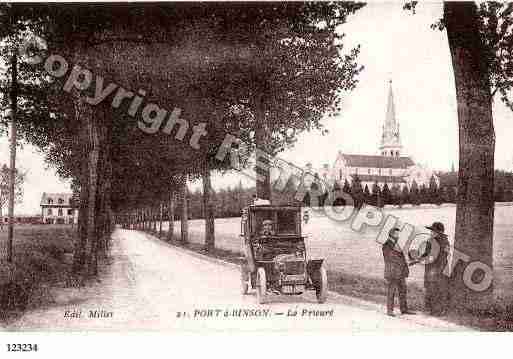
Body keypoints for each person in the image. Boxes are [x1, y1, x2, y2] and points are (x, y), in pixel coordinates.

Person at [382, 227, 415, 317]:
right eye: (396, 234)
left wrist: (408, 260)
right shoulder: (387, 245)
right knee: (391, 291)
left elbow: (399, 257)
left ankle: (404, 309)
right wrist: (406, 262)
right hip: (392, 272)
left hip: (399, 272)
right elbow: (391, 258)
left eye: (398, 234)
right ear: (391, 234)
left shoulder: (395, 244)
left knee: (403, 290)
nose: (398, 236)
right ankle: (390, 310)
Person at [422, 221, 450, 316]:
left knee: (438, 289)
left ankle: (438, 310)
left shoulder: (443, 242)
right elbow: (426, 254)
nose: (431, 233)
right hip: (433, 268)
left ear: (439, 232)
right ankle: (432, 309)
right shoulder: (431, 241)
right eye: (431, 231)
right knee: (432, 288)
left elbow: (443, 256)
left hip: (438, 268)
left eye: (433, 231)